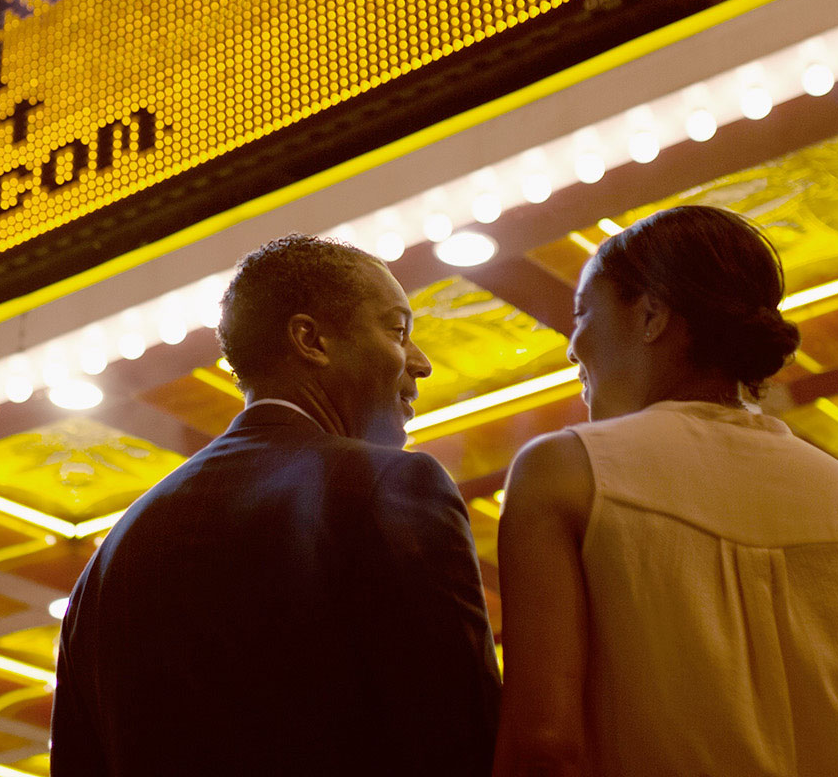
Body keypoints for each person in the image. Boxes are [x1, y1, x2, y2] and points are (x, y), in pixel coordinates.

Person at [492, 205, 838, 777]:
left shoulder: (565, 472)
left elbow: (543, 745)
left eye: (582, 314)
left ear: (651, 316)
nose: (572, 347)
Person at [52, 234, 501, 777]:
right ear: (310, 340)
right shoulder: (391, 485)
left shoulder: (112, 557)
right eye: (398, 330)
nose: (421, 363)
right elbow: (464, 735)